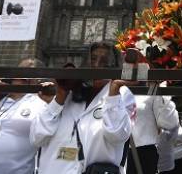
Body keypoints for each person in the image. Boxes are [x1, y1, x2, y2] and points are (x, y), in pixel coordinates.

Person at [30, 42, 136, 174]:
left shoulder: (122, 94)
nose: (97, 65)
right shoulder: (67, 92)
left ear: (114, 67)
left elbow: (117, 135)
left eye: (104, 61)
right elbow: (37, 137)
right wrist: (59, 98)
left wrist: (113, 94)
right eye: (93, 59)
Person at [126, 84, 179, 174]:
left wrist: (162, 91)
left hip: (143, 154)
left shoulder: (151, 89)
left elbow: (169, 123)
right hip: (113, 151)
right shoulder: (111, 88)